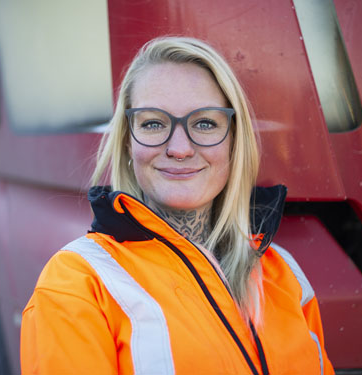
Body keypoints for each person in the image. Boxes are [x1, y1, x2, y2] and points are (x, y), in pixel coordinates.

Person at [20, 36, 333, 375]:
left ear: (233, 141)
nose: (180, 148)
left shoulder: (283, 273)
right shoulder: (79, 281)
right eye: (153, 123)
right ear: (127, 142)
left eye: (205, 123)